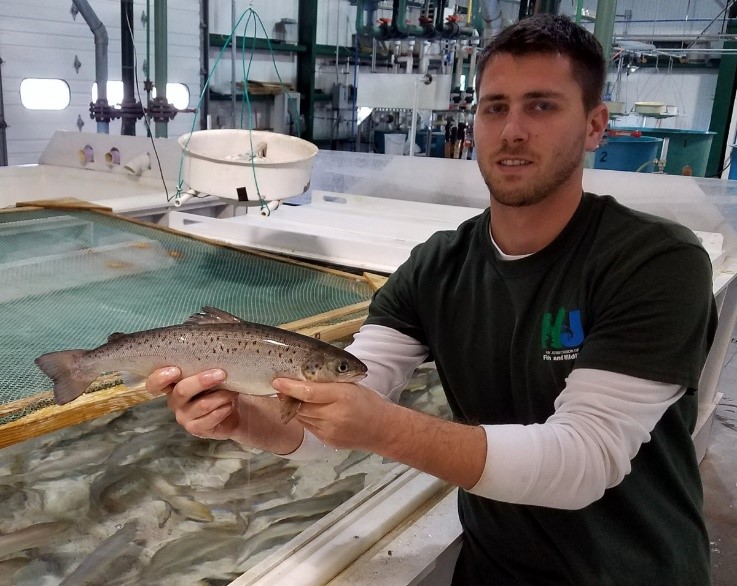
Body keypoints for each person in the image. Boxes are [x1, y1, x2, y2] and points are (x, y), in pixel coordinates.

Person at [147, 14, 717, 585]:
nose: (512, 130)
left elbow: (585, 462)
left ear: (595, 126)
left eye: (541, 106)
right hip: (491, 568)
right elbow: (344, 404)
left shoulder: (654, 262)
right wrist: (244, 418)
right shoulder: (437, 266)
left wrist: (386, 429)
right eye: (495, 107)